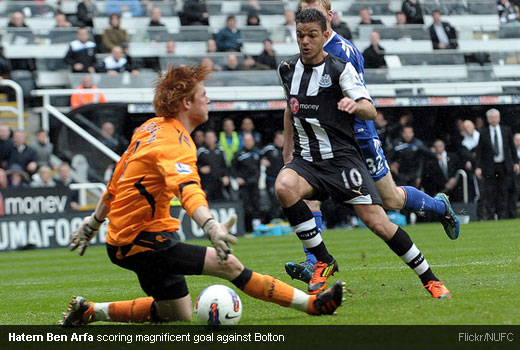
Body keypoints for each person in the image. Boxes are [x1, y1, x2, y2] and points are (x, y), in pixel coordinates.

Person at [60, 65, 343, 326]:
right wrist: (210, 226)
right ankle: (314, 304)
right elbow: (188, 191)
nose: (208, 100)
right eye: (204, 95)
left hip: (137, 235)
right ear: (187, 103)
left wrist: (93, 224)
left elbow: (116, 181)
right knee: (229, 265)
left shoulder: (150, 128)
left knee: (177, 314)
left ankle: (89, 311)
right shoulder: (175, 143)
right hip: (139, 239)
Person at [276, 8, 450, 298]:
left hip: (344, 161)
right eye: (300, 35)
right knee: (283, 186)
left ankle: (430, 279)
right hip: (308, 161)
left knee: (378, 221)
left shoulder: (340, 67)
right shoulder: (287, 69)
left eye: (311, 35)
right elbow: (289, 108)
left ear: (324, 35)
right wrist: (288, 150)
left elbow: (370, 108)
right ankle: (322, 259)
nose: (305, 41)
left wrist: (355, 105)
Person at [475, 108, 520, 220]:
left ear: (499, 118)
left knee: (503, 192)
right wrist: (478, 167)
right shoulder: (483, 133)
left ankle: (503, 216)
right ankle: (490, 216)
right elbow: (480, 152)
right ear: (488, 119)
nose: (494, 120)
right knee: (490, 193)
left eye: (495, 117)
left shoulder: (506, 130)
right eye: (491, 118)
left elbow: (512, 148)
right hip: (489, 167)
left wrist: (516, 162)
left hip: (504, 166)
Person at [231, 133, 261, 232]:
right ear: (243, 142)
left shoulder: (257, 152)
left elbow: (259, 168)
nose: (248, 142)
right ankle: (247, 227)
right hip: (244, 185)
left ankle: (257, 226)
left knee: (256, 204)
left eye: (250, 140)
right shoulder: (239, 154)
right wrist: (237, 178)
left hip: (255, 183)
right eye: (246, 140)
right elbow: (232, 168)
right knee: (246, 206)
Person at [197, 130, 230, 201]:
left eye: (212, 137)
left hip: (219, 182)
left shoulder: (221, 150)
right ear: (205, 139)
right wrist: (200, 169)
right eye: (208, 137)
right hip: (206, 183)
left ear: (215, 138)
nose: (210, 139)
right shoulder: (201, 151)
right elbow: (194, 165)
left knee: (221, 201)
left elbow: (225, 166)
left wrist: (226, 176)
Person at [261, 131, 285, 221]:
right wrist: (262, 160)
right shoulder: (269, 149)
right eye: (278, 139)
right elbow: (258, 155)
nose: (280, 141)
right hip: (271, 180)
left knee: (284, 200)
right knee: (273, 200)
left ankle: (285, 219)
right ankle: (275, 219)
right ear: (275, 139)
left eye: (282, 139)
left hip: (283, 180)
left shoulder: (286, 149)